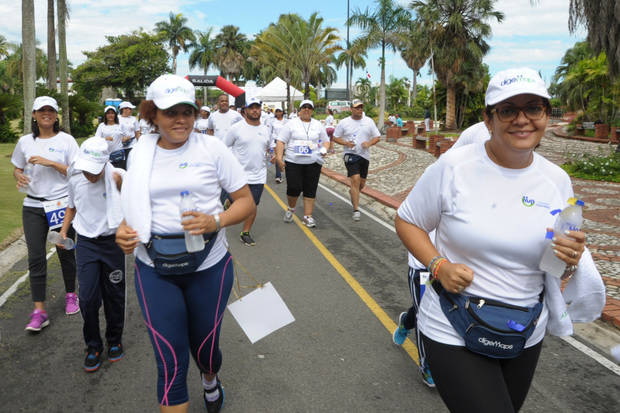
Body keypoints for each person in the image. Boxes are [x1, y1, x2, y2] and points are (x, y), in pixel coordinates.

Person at [394, 68, 604, 412]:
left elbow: (552, 265)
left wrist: (569, 258)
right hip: (453, 322)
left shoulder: (557, 180)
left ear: (546, 116)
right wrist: (438, 265)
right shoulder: (453, 167)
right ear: (488, 119)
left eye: (533, 108)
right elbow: (408, 220)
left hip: (524, 329)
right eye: (508, 110)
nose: (522, 120)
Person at [115, 74, 255, 413]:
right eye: (170, 112)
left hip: (208, 266)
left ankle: (210, 378)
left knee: (206, 349)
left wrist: (216, 221)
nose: (181, 120)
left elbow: (246, 201)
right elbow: (132, 204)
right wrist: (123, 229)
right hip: (154, 268)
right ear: (153, 115)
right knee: (170, 361)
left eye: (187, 112)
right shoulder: (140, 152)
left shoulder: (213, 149)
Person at [391, 120, 490, 388]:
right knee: (428, 313)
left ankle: (405, 320)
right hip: (427, 262)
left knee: (446, 310)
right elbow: (406, 220)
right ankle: (428, 366)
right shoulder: (441, 175)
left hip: (462, 267)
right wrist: (436, 263)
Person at [11, 96, 80, 332]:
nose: (46, 114)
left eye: (51, 110)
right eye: (42, 111)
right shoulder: (24, 142)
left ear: (56, 115)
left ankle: (71, 294)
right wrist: (18, 175)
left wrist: (50, 163)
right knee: (36, 258)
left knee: (65, 251)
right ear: (34, 115)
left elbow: (76, 171)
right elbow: (17, 168)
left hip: (60, 204)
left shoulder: (67, 140)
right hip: (33, 205)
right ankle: (39, 311)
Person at [58, 137, 126, 373]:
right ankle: (93, 345)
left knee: (114, 294)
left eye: (95, 171)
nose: (91, 175)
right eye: (87, 169)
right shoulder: (75, 176)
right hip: (86, 242)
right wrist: (64, 231)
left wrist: (120, 186)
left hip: (112, 242)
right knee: (87, 298)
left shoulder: (117, 176)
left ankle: (114, 339)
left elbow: (133, 202)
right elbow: (71, 205)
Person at [223, 96, 271, 246]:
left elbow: (268, 148)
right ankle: (229, 202)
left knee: (252, 205)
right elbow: (223, 147)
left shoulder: (265, 129)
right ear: (245, 110)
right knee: (237, 202)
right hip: (238, 175)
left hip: (258, 175)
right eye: (252, 107)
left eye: (257, 107)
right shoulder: (236, 128)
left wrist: (274, 156)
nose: (255, 110)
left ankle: (245, 232)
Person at [275, 99, 329, 228]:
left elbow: (326, 140)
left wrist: (324, 149)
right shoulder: (290, 124)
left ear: (312, 111)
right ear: (299, 110)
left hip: (313, 162)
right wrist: (279, 158)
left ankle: (307, 216)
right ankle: (291, 208)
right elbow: (281, 141)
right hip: (294, 161)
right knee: (294, 188)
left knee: (310, 188)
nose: (306, 109)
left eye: (309, 107)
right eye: (304, 107)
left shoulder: (318, 125)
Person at [332, 99, 381, 222]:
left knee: (361, 184)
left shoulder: (368, 121)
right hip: (350, 155)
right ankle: (356, 210)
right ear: (351, 109)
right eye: (357, 107)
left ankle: (354, 192)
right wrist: (346, 143)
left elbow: (377, 137)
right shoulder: (344, 123)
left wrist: (369, 143)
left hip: (364, 156)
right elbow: (335, 137)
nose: (359, 109)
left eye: (361, 107)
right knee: (355, 179)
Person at [118, 101, 140, 168]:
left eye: (131, 109)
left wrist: (140, 143)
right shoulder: (117, 118)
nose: (131, 110)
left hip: (132, 144)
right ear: (124, 109)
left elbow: (137, 132)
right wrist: (121, 139)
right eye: (129, 108)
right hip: (120, 145)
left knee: (131, 163)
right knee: (121, 164)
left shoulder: (133, 119)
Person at [269, 108, 287, 183]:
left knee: (282, 158)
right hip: (276, 141)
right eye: (277, 112)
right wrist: (270, 144)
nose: (278, 113)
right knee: (278, 157)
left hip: (284, 141)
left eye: (280, 111)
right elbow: (270, 132)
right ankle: (278, 176)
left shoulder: (286, 121)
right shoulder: (273, 121)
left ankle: (282, 171)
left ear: (282, 112)